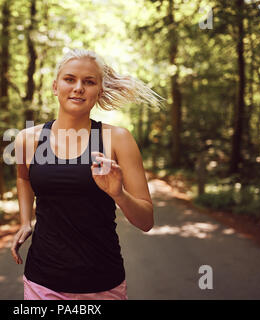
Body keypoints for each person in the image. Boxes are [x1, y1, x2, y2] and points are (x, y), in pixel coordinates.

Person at [11, 48, 163, 300]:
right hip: (42, 280)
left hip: (102, 282)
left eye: (89, 82)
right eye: (69, 79)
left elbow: (146, 221)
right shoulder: (28, 139)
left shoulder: (118, 139)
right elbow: (23, 177)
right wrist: (25, 221)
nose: (78, 87)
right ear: (55, 86)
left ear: (99, 91)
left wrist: (119, 194)